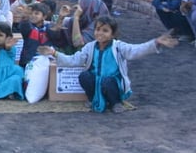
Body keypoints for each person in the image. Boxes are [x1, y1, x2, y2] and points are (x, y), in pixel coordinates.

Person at [40, 16, 178, 113]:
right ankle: (93, 99)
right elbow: (74, 60)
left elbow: (136, 50)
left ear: (112, 34)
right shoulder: (90, 47)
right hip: (96, 82)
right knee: (84, 76)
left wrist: (155, 43)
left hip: (112, 83)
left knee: (107, 81)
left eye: (105, 30)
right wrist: (54, 53)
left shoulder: (118, 47)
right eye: (98, 29)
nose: (100, 33)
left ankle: (115, 103)